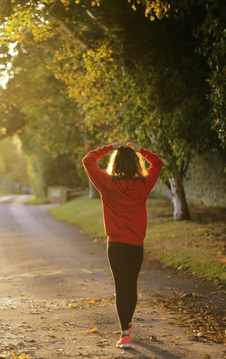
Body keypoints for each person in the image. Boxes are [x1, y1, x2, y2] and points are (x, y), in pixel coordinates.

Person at [82, 141, 163, 349]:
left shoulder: (107, 184)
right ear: (136, 164)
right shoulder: (144, 184)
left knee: (121, 286)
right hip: (136, 245)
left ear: (115, 163)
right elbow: (158, 162)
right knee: (131, 285)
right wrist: (140, 150)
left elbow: (88, 160)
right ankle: (127, 326)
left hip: (116, 245)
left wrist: (110, 147)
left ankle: (125, 333)